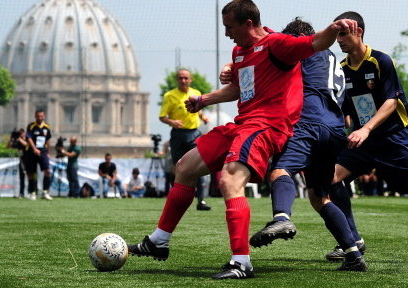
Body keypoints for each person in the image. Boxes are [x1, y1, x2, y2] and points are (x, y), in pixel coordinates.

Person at [128, 0, 358, 279]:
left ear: (248, 24)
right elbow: (240, 87)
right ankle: (159, 241)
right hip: (243, 124)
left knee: (229, 180)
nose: (226, 33)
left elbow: (316, 42)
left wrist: (334, 28)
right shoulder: (240, 51)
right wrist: (204, 100)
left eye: (230, 27)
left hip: (267, 127)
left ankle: (241, 262)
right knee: (185, 167)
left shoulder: (278, 44)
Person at [220, 17, 366, 271]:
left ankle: (281, 218)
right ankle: (353, 253)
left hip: (307, 122)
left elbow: (268, 43)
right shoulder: (333, 59)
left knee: (279, 171)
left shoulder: (301, 44)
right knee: (320, 197)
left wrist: (233, 65)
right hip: (334, 128)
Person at [328, 11, 408, 264]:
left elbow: (391, 101)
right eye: (335, 34)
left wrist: (366, 128)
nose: (339, 39)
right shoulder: (341, 69)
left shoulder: (380, 61)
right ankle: (352, 240)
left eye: (343, 33)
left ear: (358, 32)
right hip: (364, 143)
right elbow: (343, 110)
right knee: (331, 177)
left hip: (393, 139)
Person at [159, 68, 211, 211]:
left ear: (190, 80)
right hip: (178, 135)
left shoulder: (196, 93)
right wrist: (172, 122)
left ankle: (201, 200)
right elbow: (162, 116)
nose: (183, 80)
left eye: (186, 78)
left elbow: (198, 109)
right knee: (179, 168)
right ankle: (176, 199)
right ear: (177, 80)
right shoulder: (169, 96)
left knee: (199, 166)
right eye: (180, 78)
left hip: (194, 134)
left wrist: (202, 117)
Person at [25, 109, 53, 201]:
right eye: (38, 116)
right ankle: (32, 192)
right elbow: (29, 138)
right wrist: (34, 149)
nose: (40, 118)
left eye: (41, 116)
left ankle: (45, 192)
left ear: (44, 116)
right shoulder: (31, 126)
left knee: (47, 171)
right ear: (35, 116)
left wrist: (48, 152)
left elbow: (48, 140)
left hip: (43, 151)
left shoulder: (46, 126)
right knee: (31, 173)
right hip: (32, 152)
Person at [8, 128, 29, 198]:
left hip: (29, 159)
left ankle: (31, 191)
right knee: (22, 177)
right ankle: (21, 192)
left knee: (29, 176)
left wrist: (20, 139)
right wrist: (11, 138)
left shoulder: (28, 139)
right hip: (22, 160)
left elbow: (26, 145)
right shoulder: (17, 140)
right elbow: (9, 146)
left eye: (22, 133)